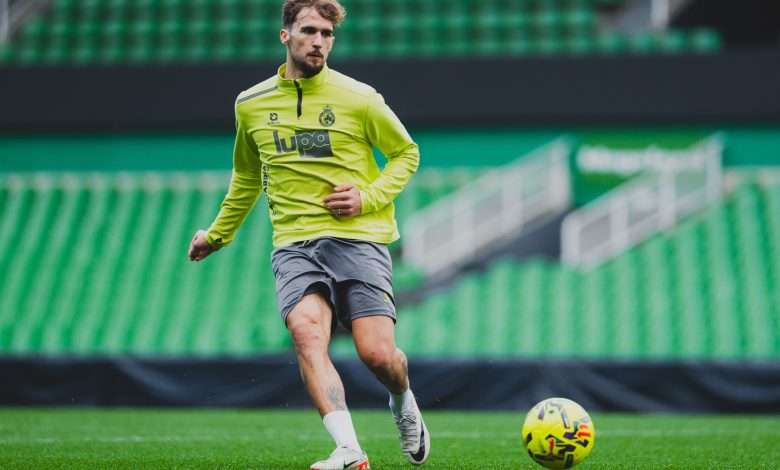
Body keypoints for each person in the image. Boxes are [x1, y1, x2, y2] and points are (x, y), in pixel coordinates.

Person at [187, 1, 428, 468]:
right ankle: (348, 449)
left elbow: (406, 154)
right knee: (305, 333)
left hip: (359, 236)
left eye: (327, 34)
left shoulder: (359, 98)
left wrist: (368, 196)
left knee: (378, 355)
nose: (319, 41)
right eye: (309, 31)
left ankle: (402, 401)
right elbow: (245, 177)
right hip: (294, 242)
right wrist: (217, 235)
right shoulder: (251, 104)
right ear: (285, 36)